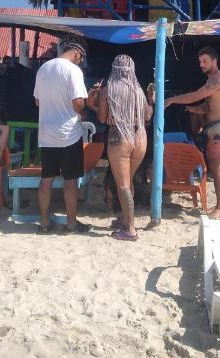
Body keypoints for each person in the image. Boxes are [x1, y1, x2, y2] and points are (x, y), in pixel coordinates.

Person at [164, 47, 220, 218]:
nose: (201, 64)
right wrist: (193, 109)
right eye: (200, 61)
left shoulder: (216, 79)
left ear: (214, 61)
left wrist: (172, 100)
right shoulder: (216, 80)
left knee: (216, 166)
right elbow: (206, 107)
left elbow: (196, 95)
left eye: (204, 61)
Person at [88, 54, 153, 242]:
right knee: (128, 181)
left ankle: (131, 230)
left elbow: (102, 118)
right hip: (140, 137)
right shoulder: (138, 90)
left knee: (122, 185)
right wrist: (151, 100)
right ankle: (126, 219)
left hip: (120, 136)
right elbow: (147, 116)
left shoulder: (111, 89)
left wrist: (93, 104)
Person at [34, 37, 92, 235]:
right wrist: (84, 111)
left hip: (46, 134)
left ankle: (43, 223)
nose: (80, 62)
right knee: (70, 180)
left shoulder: (43, 69)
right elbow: (77, 102)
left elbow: (37, 102)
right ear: (77, 53)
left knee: (46, 178)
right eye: (81, 58)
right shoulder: (73, 70)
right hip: (69, 134)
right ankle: (71, 224)